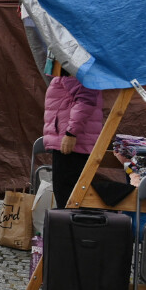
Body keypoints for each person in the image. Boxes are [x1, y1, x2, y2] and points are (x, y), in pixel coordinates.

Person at [43, 69, 104, 207]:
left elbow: (86, 102)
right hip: (70, 143)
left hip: (72, 145)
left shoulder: (74, 71)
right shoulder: (68, 72)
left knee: (68, 199)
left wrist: (71, 133)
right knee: (68, 197)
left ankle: (66, 228)